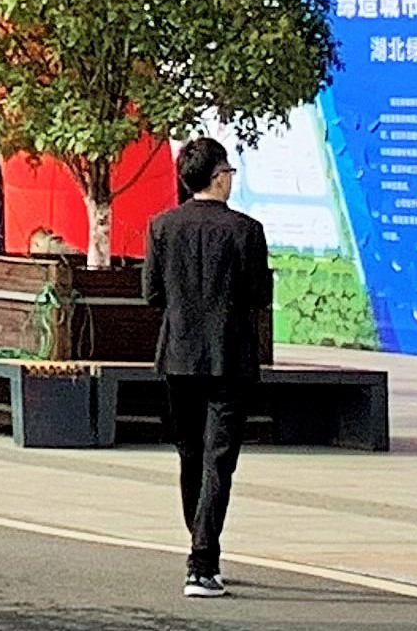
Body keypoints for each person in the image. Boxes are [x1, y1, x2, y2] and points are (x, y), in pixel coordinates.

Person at [143, 136, 274, 599]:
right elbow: (259, 295)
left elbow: (152, 293)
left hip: (178, 356)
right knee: (219, 459)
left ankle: (201, 547)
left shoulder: (161, 226)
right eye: (229, 172)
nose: (230, 180)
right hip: (229, 358)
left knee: (190, 453)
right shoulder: (246, 230)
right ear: (218, 178)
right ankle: (202, 561)